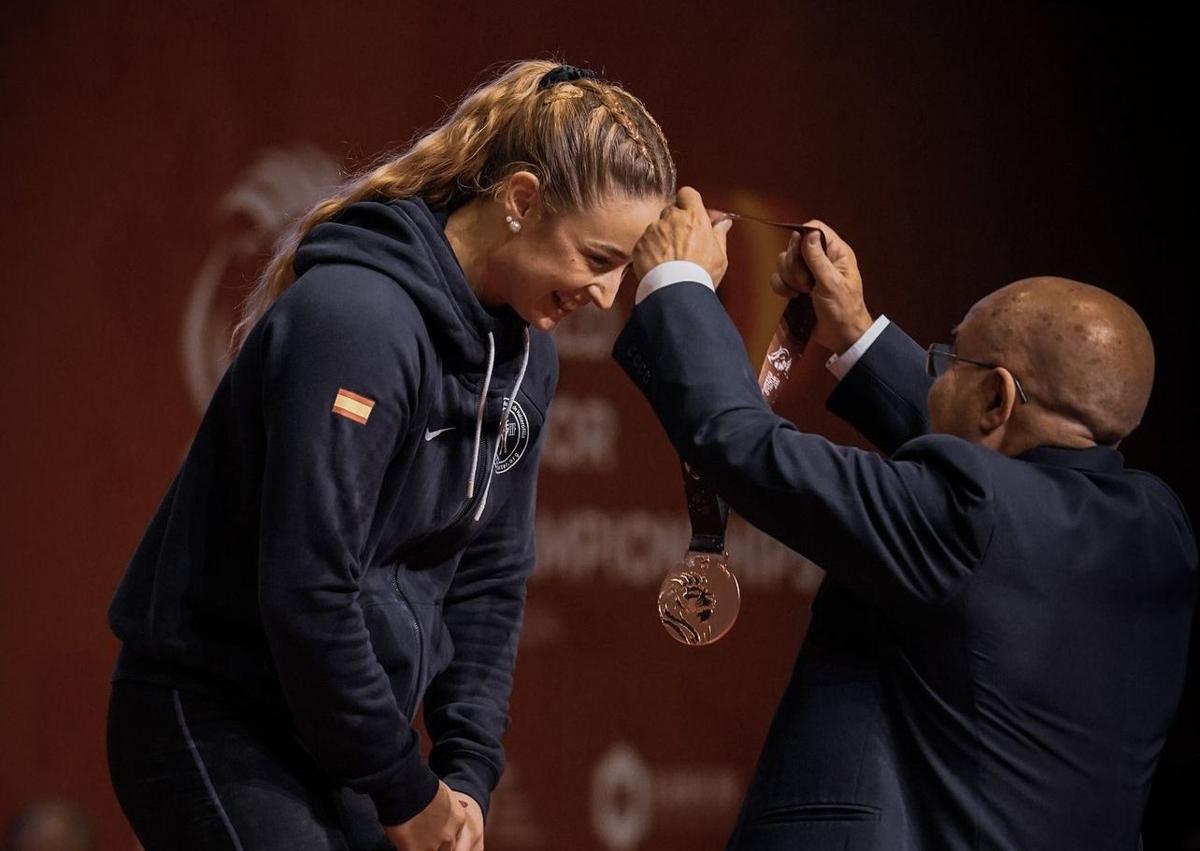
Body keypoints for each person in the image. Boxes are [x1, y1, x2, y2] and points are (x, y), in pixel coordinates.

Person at [106, 60, 675, 851]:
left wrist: (466, 776)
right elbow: (309, 591)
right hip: (212, 712)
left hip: (338, 742)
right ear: (519, 202)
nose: (608, 298)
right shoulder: (359, 318)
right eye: (598, 259)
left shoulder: (527, 358)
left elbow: (489, 577)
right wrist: (409, 792)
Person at [613, 190, 1197, 850]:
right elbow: (1001, 470)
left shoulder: (966, 520)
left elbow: (741, 445)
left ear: (996, 396)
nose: (935, 372)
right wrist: (855, 332)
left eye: (948, 362)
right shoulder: (1160, 529)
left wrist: (679, 280)